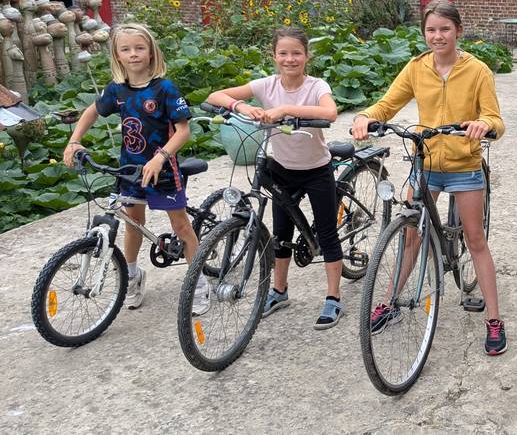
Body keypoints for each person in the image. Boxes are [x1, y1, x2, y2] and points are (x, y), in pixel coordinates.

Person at [351, 0, 508, 355]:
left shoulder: (477, 70)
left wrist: (483, 124)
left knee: (475, 240)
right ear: (424, 32)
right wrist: (365, 116)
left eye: (445, 29)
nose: (438, 36)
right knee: (410, 235)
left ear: (458, 31)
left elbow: (495, 119)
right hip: (425, 163)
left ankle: (494, 319)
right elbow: (387, 104)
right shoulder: (416, 67)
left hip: (464, 166)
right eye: (431, 30)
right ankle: (390, 302)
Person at [205, 26, 347, 330]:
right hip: (283, 168)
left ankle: (333, 297)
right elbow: (215, 95)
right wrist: (242, 106)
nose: (289, 59)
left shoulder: (316, 85)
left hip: (316, 169)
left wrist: (284, 110)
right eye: (283, 53)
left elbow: (330, 112)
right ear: (274, 56)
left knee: (327, 233)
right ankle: (279, 291)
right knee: (281, 234)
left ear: (307, 56)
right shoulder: (265, 85)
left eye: (296, 53)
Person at [62, 23, 208, 313]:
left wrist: (160, 157)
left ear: (151, 52)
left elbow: (183, 131)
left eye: (139, 48)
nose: (133, 54)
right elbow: (92, 111)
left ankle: (199, 283)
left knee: (181, 226)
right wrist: (74, 141)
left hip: (162, 170)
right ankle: (131, 275)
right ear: (117, 55)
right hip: (130, 170)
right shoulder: (116, 90)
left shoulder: (164, 89)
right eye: (125, 49)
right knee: (133, 224)